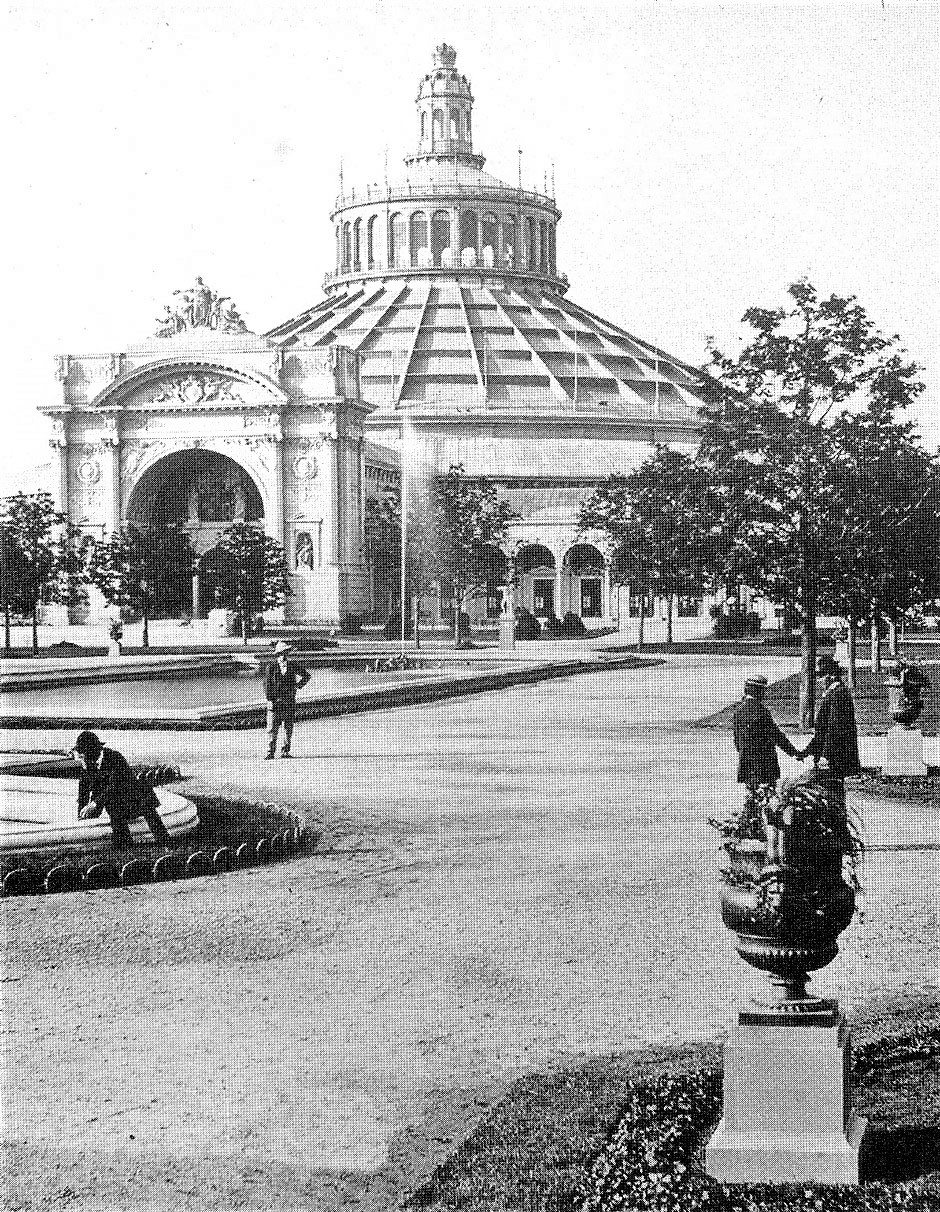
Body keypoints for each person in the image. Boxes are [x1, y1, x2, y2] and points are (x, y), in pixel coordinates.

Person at [732, 674, 802, 861]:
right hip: (765, 767)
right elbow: (777, 737)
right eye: (762, 690)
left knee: (753, 800)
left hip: (747, 767)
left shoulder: (738, 712)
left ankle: (751, 834)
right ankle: (770, 847)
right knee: (770, 806)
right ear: (757, 691)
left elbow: (737, 742)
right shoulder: (761, 712)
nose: (764, 694)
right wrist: (795, 753)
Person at [72, 731, 171, 850]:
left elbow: (115, 785)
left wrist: (94, 803)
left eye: (82, 755)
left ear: (91, 753)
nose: (81, 759)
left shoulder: (115, 757)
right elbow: (83, 791)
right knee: (110, 808)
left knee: (148, 812)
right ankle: (125, 845)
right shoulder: (87, 764)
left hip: (133, 795)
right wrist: (81, 814)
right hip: (108, 798)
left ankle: (166, 843)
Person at [802, 655, 861, 815]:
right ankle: (835, 827)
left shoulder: (838, 695)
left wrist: (826, 756)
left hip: (835, 755)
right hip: (832, 754)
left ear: (831, 675)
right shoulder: (834, 693)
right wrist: (807, 751)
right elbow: (824, 730)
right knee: (828, 792)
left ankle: (838, 831)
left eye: (821, 676)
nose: (819, 680)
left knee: (832, 792)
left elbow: (835, 730)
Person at [263, 641, 311, 759]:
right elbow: (266, 685)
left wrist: (298, 686)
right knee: (272, 729)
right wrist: (272, 698)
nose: (283, 655)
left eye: (285, 653)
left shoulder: (293, 665)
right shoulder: (271, 667)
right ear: (277, 654)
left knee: (288, 728)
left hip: (289, 702)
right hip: (275, 703)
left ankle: (285, 751)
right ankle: (270, 752)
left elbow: (306, 676)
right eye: (281, 653)